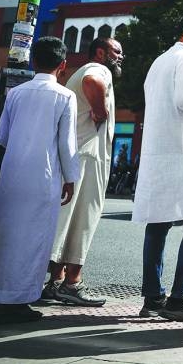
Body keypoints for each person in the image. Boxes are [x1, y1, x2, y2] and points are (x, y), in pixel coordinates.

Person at [132, 14, 183, 321]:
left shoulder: (158, 62)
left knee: (158, 226)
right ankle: (179, 299)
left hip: (159, 155)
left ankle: (152, 298)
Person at [0, 37, 78, 324]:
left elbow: (2, 137)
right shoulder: (65, 96)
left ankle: (1, 293)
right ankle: (19, 300)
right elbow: (67, 145)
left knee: (6, 236)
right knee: (34, 240)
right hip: (44, 178)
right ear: (63, 65)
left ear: (34, 62)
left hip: (10, 176)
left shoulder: (16, 93)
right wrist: (71, 179)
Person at [46, 36, 123, 307]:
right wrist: (100, 111)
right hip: (88, 156)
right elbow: (93, 81)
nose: (120, 57)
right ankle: (72, 283)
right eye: (116, 51)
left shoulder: (81, 71)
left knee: (68, 220)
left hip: (79, 154)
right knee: (83, 220)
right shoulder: (97, 69)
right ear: (100, 53)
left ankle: (56, 282)